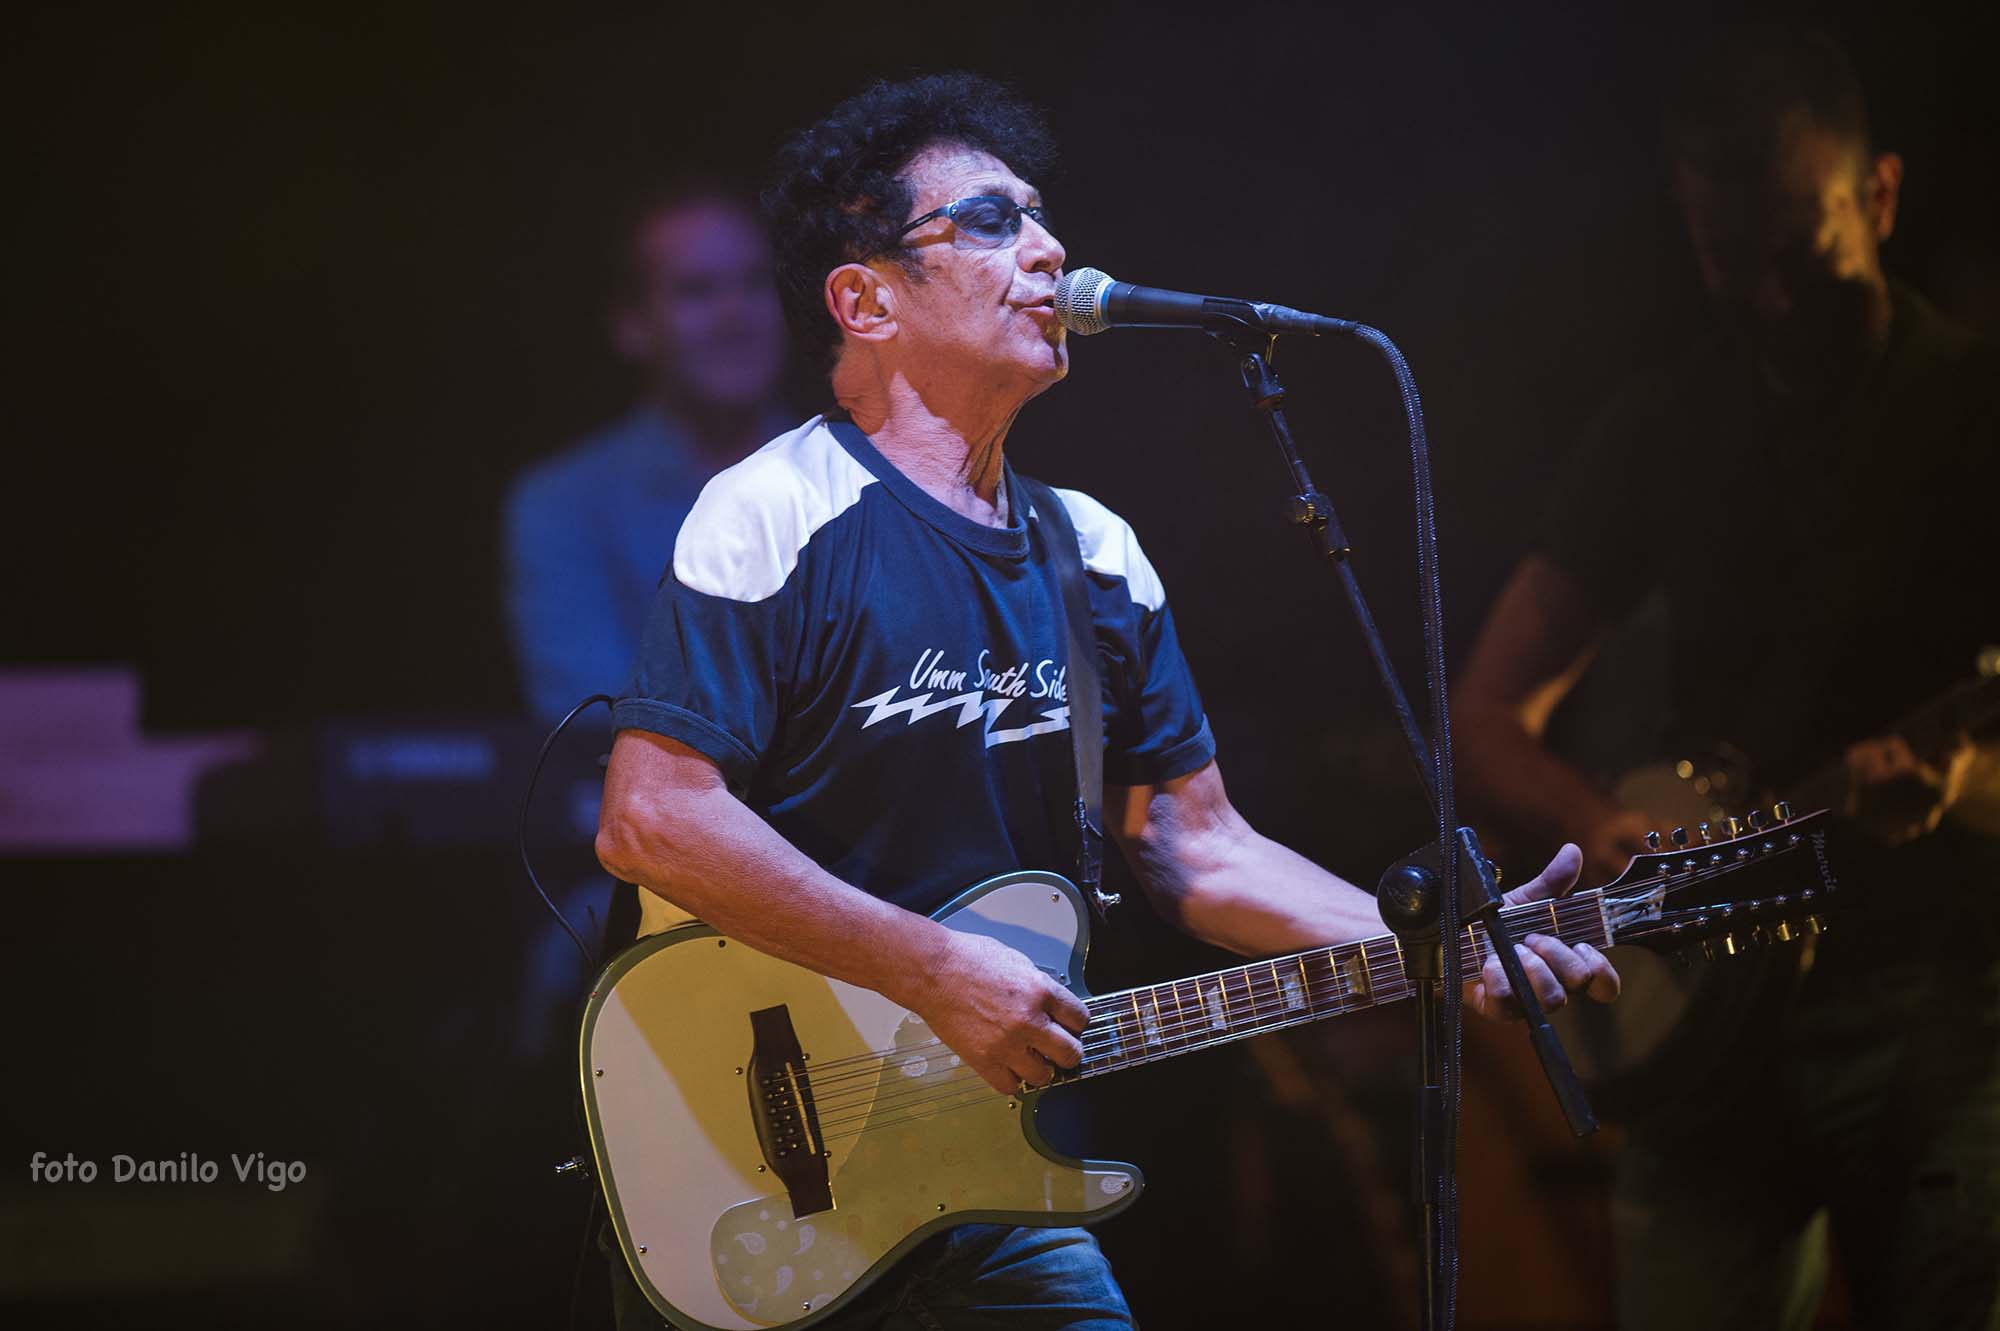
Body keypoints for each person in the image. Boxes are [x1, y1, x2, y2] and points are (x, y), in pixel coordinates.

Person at [591, 72, 1621, 1330]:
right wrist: (932, 967)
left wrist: (1439, 950)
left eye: (1039, 214)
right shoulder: (774, 509)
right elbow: (654, 820)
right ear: (864, 301)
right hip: (750, 1154)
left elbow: (1197, 845)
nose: (1047, 247)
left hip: (987, 1173)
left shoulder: (1094, 553)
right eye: (988, 220)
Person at [1452, 25, 2000, 1331]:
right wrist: (1595, 822)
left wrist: (1964, 783)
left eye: (1798, 254)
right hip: (1704, 1032)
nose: (1766, 297)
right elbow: (1484, 712)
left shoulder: (1971, 413)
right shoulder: (1662, 423)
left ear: (1879, 197)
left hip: (1934, 1003)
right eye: (1724, 257)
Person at [504, 183, 792, 723]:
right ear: (632, 327)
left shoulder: (861, 476)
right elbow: (591, 719)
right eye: (696, 291)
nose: (735, 315)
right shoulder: (564, 504)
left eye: (755, 283)